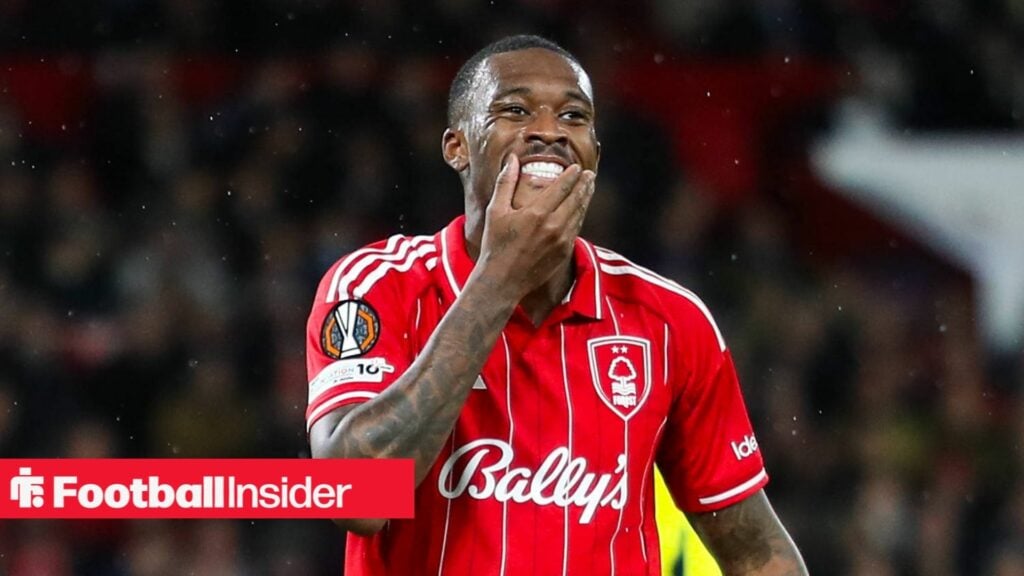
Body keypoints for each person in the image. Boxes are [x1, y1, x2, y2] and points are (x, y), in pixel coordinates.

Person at [306, 34, 807, 575]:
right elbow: (356, 496)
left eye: (573, 116)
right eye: (516, 110)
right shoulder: (377, 286)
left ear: (595, 153)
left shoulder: (669, 320)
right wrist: (501, 278)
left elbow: (759, 556)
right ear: (457, 147)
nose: (549, 131)